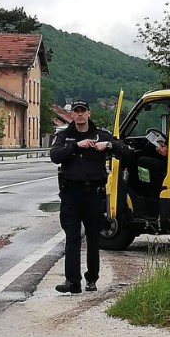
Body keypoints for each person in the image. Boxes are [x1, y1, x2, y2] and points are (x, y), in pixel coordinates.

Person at [49, 100, 128, 294]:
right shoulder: (65, 136)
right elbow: (55, 155)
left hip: (93, 194)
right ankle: (72, 282)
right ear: (72, 115)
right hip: (71, 193)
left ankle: (92, 279)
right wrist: (76, 146)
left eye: (83, 111)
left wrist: (107, 145)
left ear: (89, 113)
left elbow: (125, 151)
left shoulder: (100, 135)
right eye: (76, 111)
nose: (80, 115)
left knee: (93, 237)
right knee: (72, 237)